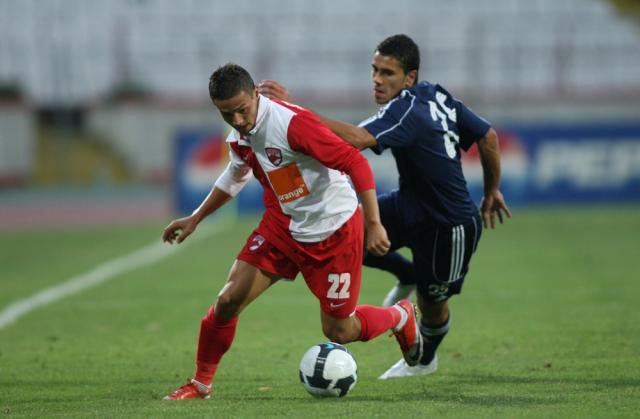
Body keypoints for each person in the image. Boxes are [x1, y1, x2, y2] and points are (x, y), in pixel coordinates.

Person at [161, 63, 422, 400]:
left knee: (339, 330)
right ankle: (200, 384)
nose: (238, 120)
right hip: (283, 224)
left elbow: (355, 162)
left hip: (333, 227)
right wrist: (196, 217)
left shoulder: (292, 124)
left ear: (256, 93)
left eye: (242, 110)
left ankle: (399, 316)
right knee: (228, 300)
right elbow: (236, 173)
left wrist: (373, 222)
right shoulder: (241, 131)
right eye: (227, 114)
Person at [260, 34, 511, 379]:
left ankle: (424, 361)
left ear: (410, 77)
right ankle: (405, 272)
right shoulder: (434, 93)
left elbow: (357, 140)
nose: (377, 80)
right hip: (410, 204)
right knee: (347, 234)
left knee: (432, 305)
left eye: (387, 73)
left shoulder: (406, 108)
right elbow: (488, 136)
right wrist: (492, 190)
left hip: (448, 223)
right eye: (374, 70)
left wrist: (293, 112)